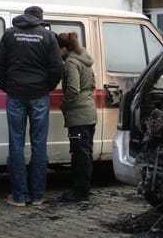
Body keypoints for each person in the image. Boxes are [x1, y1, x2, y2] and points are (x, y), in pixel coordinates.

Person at [0, 6, 63, 207]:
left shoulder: (10, 34)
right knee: (39, 145)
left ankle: (19, 196)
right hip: (39, 95)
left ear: (25, 16)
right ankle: (38, 196)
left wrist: (7, 85)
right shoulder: (47, 37)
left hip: (15, 95)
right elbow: (57, 67)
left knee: (16, 144)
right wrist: (46, 86)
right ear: (40, 19)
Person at [57, 32, 97, 202]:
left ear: (64, 48)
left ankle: (80, 193)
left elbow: (73, 89)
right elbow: (93, 84)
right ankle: (85, 189)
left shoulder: (71, 63)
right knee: (86, 153)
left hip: (78, 115)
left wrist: (64, 105)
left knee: (79, 154)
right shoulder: (85, 59)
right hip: (89, 112)